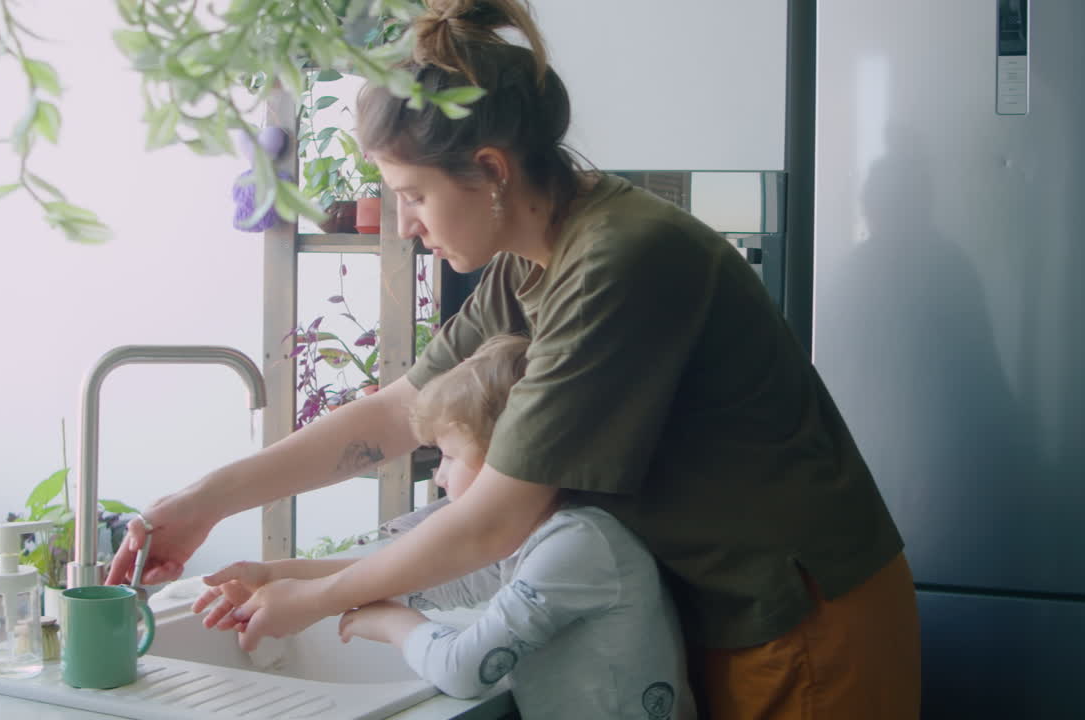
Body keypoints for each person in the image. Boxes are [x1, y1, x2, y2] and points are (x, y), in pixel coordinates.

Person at [107, 1, 922, 717]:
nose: (407, 223)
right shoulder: (528, 261)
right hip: (730, 599)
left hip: (799, 612)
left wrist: (317, 595)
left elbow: (494, 519)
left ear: (491, 171)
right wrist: (204, 502)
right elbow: (400, 412)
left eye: (414, 195)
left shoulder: (616, 263)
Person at [195, 335, 696, 718]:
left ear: (511, 458)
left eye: (450, 456)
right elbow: (422, 579)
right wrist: (280, 574)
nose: (438, 476)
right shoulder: (537, 537)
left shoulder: (578, 547)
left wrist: (388, 624)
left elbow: (465, 670)